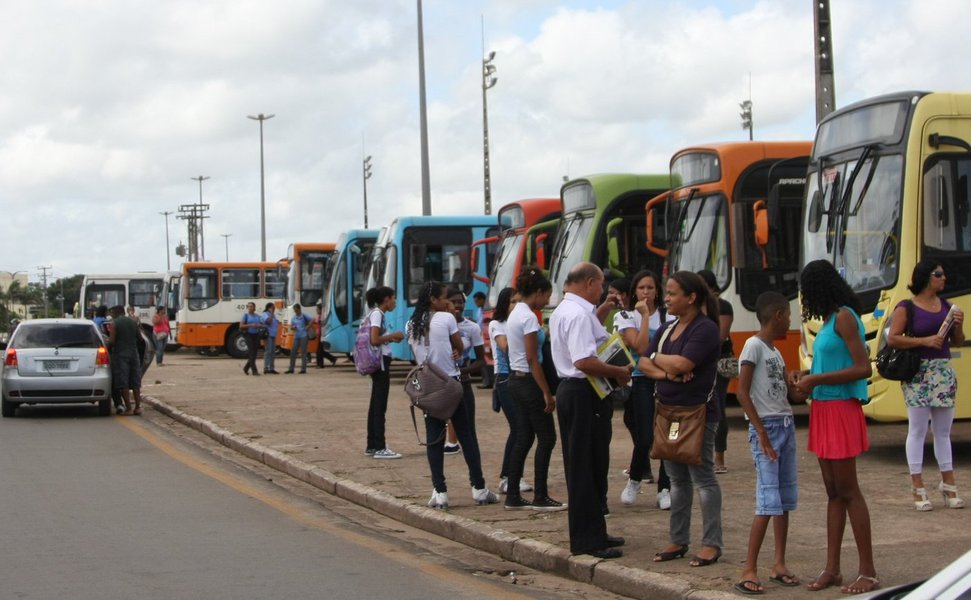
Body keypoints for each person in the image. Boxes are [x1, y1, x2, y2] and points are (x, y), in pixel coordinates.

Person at [792, 259, 878, 594]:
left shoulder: (844, 317)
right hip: (824, 410)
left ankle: (868, 571)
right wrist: (805, 377)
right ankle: (833, 568)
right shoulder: (829, 319)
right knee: (832, 493)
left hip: (841, 409)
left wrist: (817, 379)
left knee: (848, 490)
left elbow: (862, 368)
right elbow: (829, 363)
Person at [639, 271, 723, 568]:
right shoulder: (666, 328)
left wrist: (661, 359)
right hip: (667, 412)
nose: (668, 298)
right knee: (676, 479)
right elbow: (642, 362)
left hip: (697, 414)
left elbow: (684, 363)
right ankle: (678, 538)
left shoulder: (705, 329)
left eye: (673, 293)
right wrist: (667, 371)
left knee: (703, 479)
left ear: (692, 297)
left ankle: (712, 543)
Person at [549, 262, 631, 559]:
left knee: (593, 462)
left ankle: (595, 530)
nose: (602, 290)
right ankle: (587, 540)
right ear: (590, 282)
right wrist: (618, 371)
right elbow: (584, 360)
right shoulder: (578, 314)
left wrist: (605, 310)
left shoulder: (566, 310)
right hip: (583, 391)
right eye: (601, 285)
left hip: (577, 392)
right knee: (584, 466)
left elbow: (587, 337)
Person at [407, 282, 498, 510]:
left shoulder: (411, 324)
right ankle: (478, 488)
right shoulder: (446, 319)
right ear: (434, 300)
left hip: (428, 387)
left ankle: (440, 491)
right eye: (445, 298)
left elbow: (415, 355)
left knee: (434, 439)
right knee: (466, 435)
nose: (448, 303)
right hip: (451, 382)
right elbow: (458, 348)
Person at [734, 292, 801, 595]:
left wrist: (798, 384)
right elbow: (742, 393)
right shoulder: (753, 346)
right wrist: (760, 432)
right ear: (777, 315)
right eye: (788, 315)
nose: (790, 321)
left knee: (783, 499)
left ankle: (780, 563)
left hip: (785, 425)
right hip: (768, 429)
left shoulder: (776, 351)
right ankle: (749, 567)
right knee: (767, 500)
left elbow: (787, 394)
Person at [886, 259, 965, 510]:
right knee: (917, 430)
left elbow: (958, 342)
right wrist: (924, 341)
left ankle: (949, 484)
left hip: (942, 371)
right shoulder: (906, 307)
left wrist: (959, 326)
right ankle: (917, 487)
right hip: (918, 373)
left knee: (943, 431)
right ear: (926, 278)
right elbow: (894, 338)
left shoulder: (947, 307)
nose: (944, 278)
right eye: (938, 274)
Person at [504, 269, 563, 511]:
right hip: (529, 381)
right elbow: (532, 359)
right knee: (547, 438)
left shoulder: (515, 312)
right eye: (546, 296)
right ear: (537, 292)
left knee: (523, 438)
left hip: (515, 380)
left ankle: (513, 494)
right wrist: (546, 392)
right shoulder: (528, 317)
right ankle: (540, 495)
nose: (547, 301)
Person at [615, 270, 671, 508]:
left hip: (667, 379)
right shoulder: (625, 316)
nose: (646, 292)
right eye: (641, 288)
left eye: (650, 288)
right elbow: (640, 346)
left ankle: (665, 488)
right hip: (640, 380)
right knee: (645, 437)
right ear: (634, 291)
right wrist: (646, 316)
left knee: (668, 436)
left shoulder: (668, 315)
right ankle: (635, 479)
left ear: (657, 290)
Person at [490, 288, 533, 495]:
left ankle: (513, 475)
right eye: (512, 302)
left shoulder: (522, 321)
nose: (516, 306)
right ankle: (508, 477)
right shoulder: (496, 324)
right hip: (506, 378)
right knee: (518, 428)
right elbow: (504, 346)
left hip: (522, 376)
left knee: (523, 429)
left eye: (519, 301)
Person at [698, 269, 734, 474]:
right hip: (698, 362)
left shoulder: (723, 306)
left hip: (718, 362)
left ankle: (719, 455)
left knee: (718, 406)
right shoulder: (695, 306)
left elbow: (719, 337)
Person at [442, 290, 487, 454]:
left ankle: (474, 464)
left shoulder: (472, 328)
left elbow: (481, 360)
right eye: (453, 302)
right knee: (439, 421)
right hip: (442, 383)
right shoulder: (439, 326)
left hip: (463, 383)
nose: (457, 305)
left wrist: (463, 371)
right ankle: (449, 446)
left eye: (460, 302)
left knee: (468, 426)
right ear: (446, 304)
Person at [364, 286, 405, 460]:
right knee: (380, 406)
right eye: (394, 298)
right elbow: (374, 339)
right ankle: (379, 446)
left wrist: (390, 338)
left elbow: (378, 339)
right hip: (380, 364)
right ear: (386, 299)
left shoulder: (376, 314)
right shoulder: (377, 314)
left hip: (379, 361)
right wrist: (392, 335)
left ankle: (372, 444)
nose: (395, 301)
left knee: (375, 405)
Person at [108, 305, 143, 415]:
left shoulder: (115, 323)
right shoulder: (132, 322)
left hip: (121, 355)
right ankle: (137, 407)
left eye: (112, 313)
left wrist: (108, 348)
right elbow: (141, 338)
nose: (111, 315)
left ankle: (128, 408)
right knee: (135, 382)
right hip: (134, 353)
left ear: (116, 313)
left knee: (124, 382)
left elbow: (112, 341)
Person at [286, 303, 315, 374]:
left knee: (304, 352)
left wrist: (308, 326)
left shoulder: (304, 315)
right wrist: (293, 327)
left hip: (304, 336)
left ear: (299, 309)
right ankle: (291, 368)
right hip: (296, 336)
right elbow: (292, 326)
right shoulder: (293, 318)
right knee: (293, 352)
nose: (296, 312)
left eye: (297, 310)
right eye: (295, 311)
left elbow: (312, 319)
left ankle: (303, 369)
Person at [472, 291, 493, 389]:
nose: (476, 304)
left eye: (477, 301)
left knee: (486, 360)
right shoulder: (479, 310)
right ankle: (486, 381)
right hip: (481, 339)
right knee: (483, 361)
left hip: (486, 340)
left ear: (482, 300)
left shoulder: (487, 311)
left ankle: (488, 382)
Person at [240, 302, 262, 376]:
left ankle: (246, 368)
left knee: (254, 354)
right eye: (248, 306)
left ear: (254, 308)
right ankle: (254, 371)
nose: (250, 308)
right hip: (248, 335)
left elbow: (261, 324)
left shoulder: (257, 316)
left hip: (256, 335)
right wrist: (251, 325)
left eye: (251, 306)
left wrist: (259, 326)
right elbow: (241, 325)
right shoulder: (246, 315)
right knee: (251, 353)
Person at [315, 303, 338, 368]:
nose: (316, 311)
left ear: (321, 310)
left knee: (319, 351)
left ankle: (320, 364)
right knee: (321, 351)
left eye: (317, 309)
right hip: (320, 334)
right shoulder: (319, 316)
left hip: (322, 335)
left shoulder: (322, 317)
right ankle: (332, 358)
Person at [261, 303, 280, 374]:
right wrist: (271, 314)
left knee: (272, 352)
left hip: (273, 335)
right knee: (268, 351)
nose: (274, 309)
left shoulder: (273, 315)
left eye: (274, 308)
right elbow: (269, 321)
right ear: (268, 308)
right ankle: (266, 368)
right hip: (268, 335)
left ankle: (271, 368)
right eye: (272, 308)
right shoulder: (265, 314)